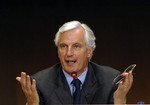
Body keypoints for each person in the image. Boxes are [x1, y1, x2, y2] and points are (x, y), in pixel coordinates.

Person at [16, 20, 133, 105]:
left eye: (76, 46)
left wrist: (120, 101)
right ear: (58, 52)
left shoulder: (110, 81)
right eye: (63, 46)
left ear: (89, 51)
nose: (69, 53)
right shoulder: (40, 83)